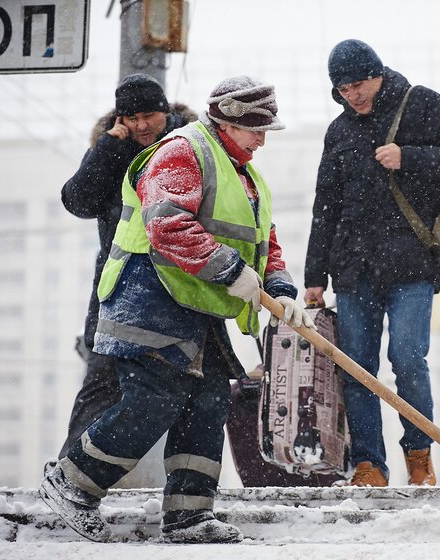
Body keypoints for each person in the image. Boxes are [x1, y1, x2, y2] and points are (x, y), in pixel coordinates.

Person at [41, 75, 314, 543]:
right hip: (149, 300)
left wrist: (280, 287)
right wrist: (231, 272)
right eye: (257, 128)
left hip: (195, 305)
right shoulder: (183, 151)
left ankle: (190, 514)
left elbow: (262, 241)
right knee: (154, 399)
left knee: (207, 402)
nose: (264, 138)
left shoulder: (242, 172)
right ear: (228, 121)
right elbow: (167, 224)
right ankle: (72, 483)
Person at [304, 39, 440, 487]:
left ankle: (419, 458)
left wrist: (411, 158)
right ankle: (369, 465)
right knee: (358, 367)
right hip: (353, 268)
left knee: (407, 357)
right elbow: (325, 204)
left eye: (359, 84)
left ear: (378, 73)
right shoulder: (339, 131)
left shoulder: (420, 104)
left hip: (412, 263)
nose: (353, 95)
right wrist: (313, 276)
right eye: (343, 89)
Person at [58, 73, 195, 459]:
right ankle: (70, 470)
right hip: (117, 286)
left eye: (149, 115)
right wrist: (107, 147)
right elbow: (78, 202)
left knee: (187, 390)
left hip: (177, 285)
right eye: (132, 118)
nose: (141, 125)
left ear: (165, 111)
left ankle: (179, 490)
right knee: (102, 382)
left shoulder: (190, 145)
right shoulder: (112, 149)